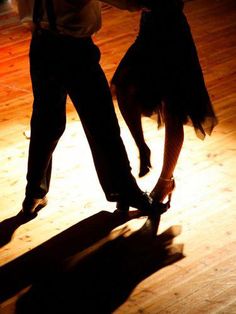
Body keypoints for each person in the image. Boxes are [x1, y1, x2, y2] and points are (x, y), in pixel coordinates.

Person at [12, 0, 156, 216]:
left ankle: (33, 192)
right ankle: (125, 190)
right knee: (102, 122)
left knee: (46, 122)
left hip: (41, 44)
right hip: (74, 50)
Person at [111, 0, 218, 211]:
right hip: (148, 32)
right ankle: (142, 146)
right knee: (122, 86)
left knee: (173, 109)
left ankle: (165, 181)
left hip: (174, 36)